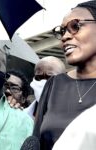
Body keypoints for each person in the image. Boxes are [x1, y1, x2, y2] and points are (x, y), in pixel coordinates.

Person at [21, 0, 96, 150]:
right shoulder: (54, 84)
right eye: (62, 31)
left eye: (75, 26)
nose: (65, 37)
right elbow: (37, 140)